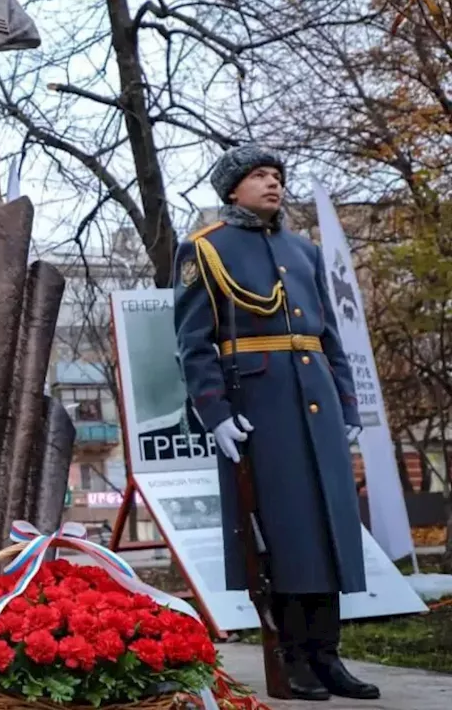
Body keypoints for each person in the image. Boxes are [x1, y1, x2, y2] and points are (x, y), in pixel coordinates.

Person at [173, 145, 379, 701]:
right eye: (259, 175)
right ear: (232, 189)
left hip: (317, 405)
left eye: (278, 176)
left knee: (327, 532)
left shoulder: (302, 251)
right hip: (260, 408)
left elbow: (328, 335)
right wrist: (215, 412)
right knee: (284, 538)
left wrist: (348, 405)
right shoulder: (204, 249)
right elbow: (193, 343)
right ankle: (293, 658)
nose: (273, 184)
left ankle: (327, 655)